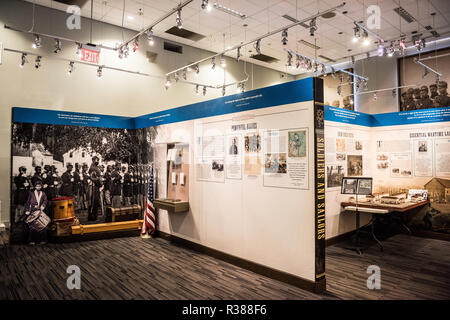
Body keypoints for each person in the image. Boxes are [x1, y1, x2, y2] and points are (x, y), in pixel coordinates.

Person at [24, 180, 49, 245]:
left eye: (39, 186)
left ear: (41, 186)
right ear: (35, 186)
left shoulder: (43, 193)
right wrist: (28, 210)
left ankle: (43, 240)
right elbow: (28, 202)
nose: (38, 187)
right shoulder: (31, 193)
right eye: (37, 186)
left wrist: (43, 206)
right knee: (32, 227)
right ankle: (32, 240)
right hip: (33, 211)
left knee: (43, 225)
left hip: (40, 211)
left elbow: (45, 200)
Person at [88, 156, 102, 221]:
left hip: (96, 186)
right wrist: (99, 181)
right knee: (93, 202)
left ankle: (94, 216)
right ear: (93, 160)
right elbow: (92, 178)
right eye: (96, 160)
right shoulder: (92, 168)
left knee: (96, 202)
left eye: (98, 160)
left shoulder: (96, 167)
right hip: (94, 186)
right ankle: (92, 217)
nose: (97, 161)